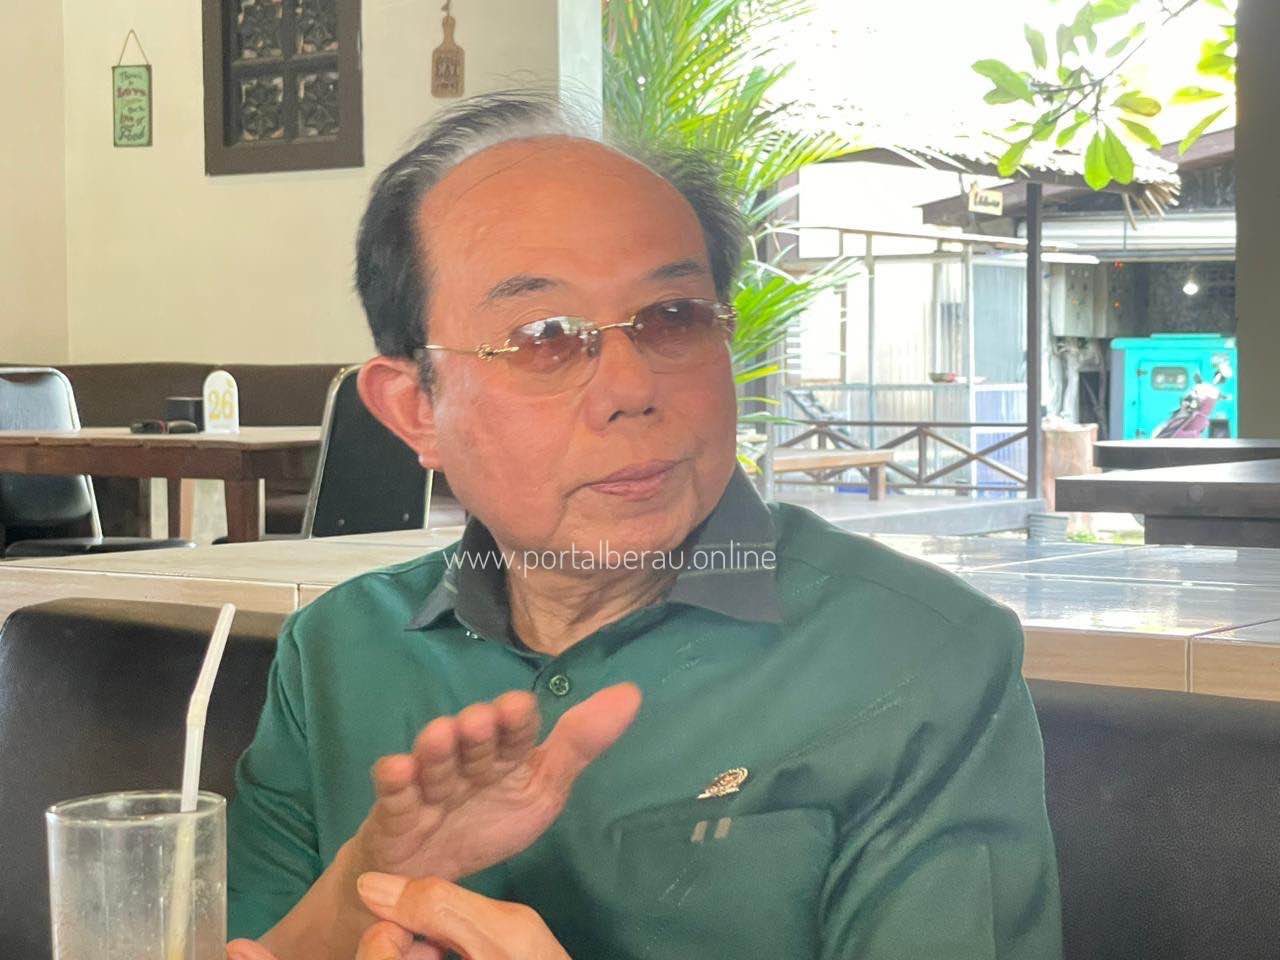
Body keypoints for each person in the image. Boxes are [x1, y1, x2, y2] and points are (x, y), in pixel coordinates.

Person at [225, 90, 1063, 960]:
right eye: (545, 336)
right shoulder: (339, 651)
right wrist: (364, 885)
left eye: (672, 318)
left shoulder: (920, 657)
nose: (631, 389)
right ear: (415, 409)